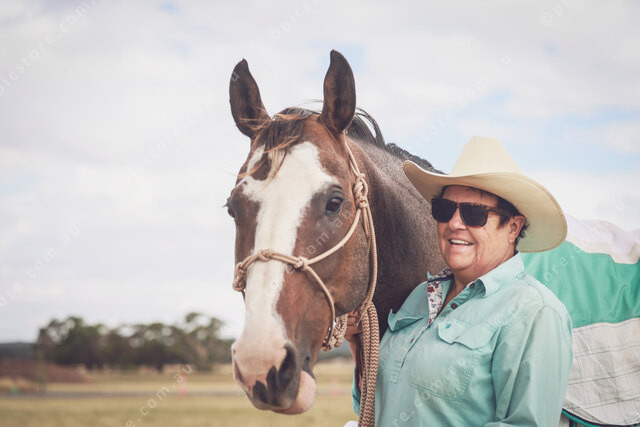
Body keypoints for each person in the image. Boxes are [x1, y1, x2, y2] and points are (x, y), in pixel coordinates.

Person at [347, 136, 573, 426]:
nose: (454, 223)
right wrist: (359, 346)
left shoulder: (535, 313)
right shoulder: (419, 296)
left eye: (473, 214)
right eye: (444, 210)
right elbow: (372, 407)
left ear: (513, 228)